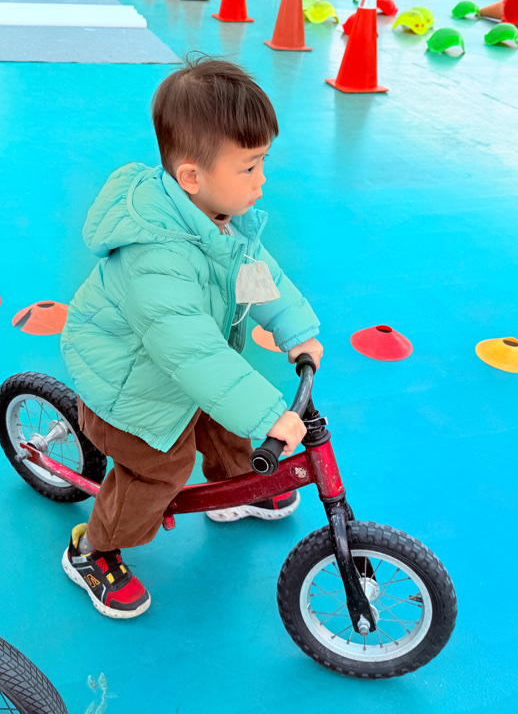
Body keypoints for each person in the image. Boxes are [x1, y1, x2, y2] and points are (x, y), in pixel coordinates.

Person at [59, 56, 323, 619]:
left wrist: (294, 329)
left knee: (225, 418)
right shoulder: (156, 257)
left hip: (179, 373)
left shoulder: (220, 215)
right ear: (191, 177)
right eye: (248, 167)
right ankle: (94, 549)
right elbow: (189, 350)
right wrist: (268, 413)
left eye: (262, 162)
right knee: (160, 467)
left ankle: (238, 486)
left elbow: (258, 274)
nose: (262, 180)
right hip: (130, 389)